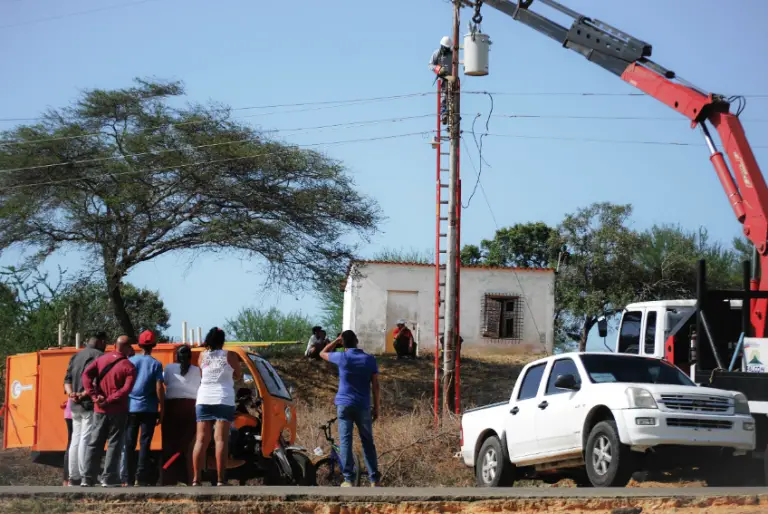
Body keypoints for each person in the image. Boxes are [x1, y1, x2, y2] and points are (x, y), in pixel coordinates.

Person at [320, 330, 381, 487]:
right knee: (368, 442)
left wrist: (336, 341)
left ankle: (348, 479)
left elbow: (322, 353)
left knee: (346, 441)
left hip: (344, 405)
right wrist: (377, 408)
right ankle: (374, 480)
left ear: (343, 343)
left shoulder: (342, 357)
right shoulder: (370, 360)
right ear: (357, 341)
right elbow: (376, 386)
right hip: (363, 406)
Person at [81, 336, 137, 487]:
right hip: (118, 410)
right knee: (114, 444)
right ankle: (109, 478)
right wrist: (110, 400)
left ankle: (87, 478)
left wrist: (94, 396)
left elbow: (86, 375)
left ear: (114, 345)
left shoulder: (101, 360)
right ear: (127, 348)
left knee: (94, 443)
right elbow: (126, 390)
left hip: (99, 409)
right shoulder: (129, 367)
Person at [193, 327, 242, 486]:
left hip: (203, 398)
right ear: (222, 341)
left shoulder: (202, 356)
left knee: (201, 440)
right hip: (223, 398)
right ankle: (221, 479)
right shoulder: (230, 355)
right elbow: (238, 374)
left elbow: (202, 374)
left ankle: (196, 479)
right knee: (220, 440)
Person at [63, 332, 107, 487]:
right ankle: (84, 475)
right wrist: (82, 395)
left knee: (75, 438)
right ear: (101, 342)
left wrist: (72, 395)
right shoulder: (100, 356)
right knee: (85, 439)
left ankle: (72, 476)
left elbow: (67, 379)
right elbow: (95, 382)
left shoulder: (76, 356)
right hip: (88, 403)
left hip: (74, 404)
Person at [123, 330, 165, 486]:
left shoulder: (131, 361)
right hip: (149, 409)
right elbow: (159, 387)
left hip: (131, 408)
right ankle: (141, 477)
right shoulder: (156, 364)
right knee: (145, 442)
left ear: (139, 345)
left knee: (129, 442)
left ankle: (127, 477)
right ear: (153, 346)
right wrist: (162, 408)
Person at [162, 344, 201, 486]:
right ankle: (190, 478)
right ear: (190, 357)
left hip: (172, 407)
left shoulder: (169, 368)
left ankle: (168, 478)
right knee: (187, 445)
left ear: (177, 357)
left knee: (170, 444)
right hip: (191, 407)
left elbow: (165, 382)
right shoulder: (197, 370)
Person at [429, 36, 455, 125]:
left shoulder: (453, 54)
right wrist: (438, 69)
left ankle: (453, 115)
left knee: (453, 96)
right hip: (443, 78)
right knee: (444, 96)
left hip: (451, 78)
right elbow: (430, 65)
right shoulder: (437, 54)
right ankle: (444, 114)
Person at [63, 398, 73, 486]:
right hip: (77, 413)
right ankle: (71, 478)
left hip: (68, 411)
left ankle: (66, 479)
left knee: (70, 445)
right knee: (75, 445)